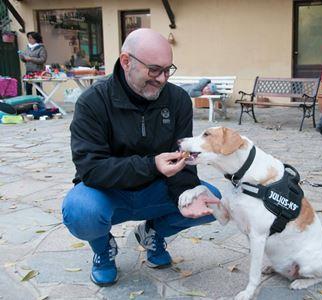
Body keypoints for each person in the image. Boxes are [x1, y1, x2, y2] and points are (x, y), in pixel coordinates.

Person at [62, 28, 221, 287]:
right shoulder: (93, 101)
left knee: (211, 201)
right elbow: (90, 168)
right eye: (154, 69)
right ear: (126, 62)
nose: (162, 78)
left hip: (155, 190)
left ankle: (153, 233)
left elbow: (183, 157)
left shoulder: (178, 99)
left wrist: (188, 192)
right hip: (108, 191)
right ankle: (103, 250)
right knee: (81, 211)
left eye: (168, 70)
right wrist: (151, 165)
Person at [19, 32, 47, 96]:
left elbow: (43, 60)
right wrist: (22, 57)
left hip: (38, 72)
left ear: (36, 39)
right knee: (28, 89)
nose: (29, 39)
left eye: (31, 38)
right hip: (29, 71)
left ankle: (40, 104)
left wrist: (31, 58)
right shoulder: (28, 47)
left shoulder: (41, 48)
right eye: (28, 38)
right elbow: (25, 60)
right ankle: (29, 104)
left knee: (38, 89)